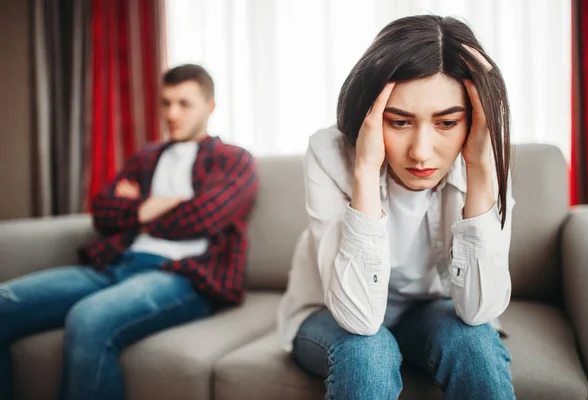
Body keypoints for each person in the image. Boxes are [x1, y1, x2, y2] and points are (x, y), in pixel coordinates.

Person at [277, 15, 516, 400]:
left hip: (430, 312)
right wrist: (367, 170)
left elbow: (477, 310)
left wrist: (480, 167)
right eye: (400, 122)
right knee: (367, 352)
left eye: (447, 122)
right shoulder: (328, 153)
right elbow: (358, 319)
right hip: (331, 311)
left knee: (475, 347)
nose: (421, 152)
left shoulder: (485, 155)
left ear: (472, 121)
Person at [0, 64, 259, 400]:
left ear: (210, 106)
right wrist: (148, 208)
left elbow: (203, 219)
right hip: (113, 266)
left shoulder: (235, 160)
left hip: (181, 276)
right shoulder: (147, 157)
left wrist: (138, 209)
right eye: (166, 103)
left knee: (90, 317)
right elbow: (103, 212)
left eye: (184, 103)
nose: (172, 113)